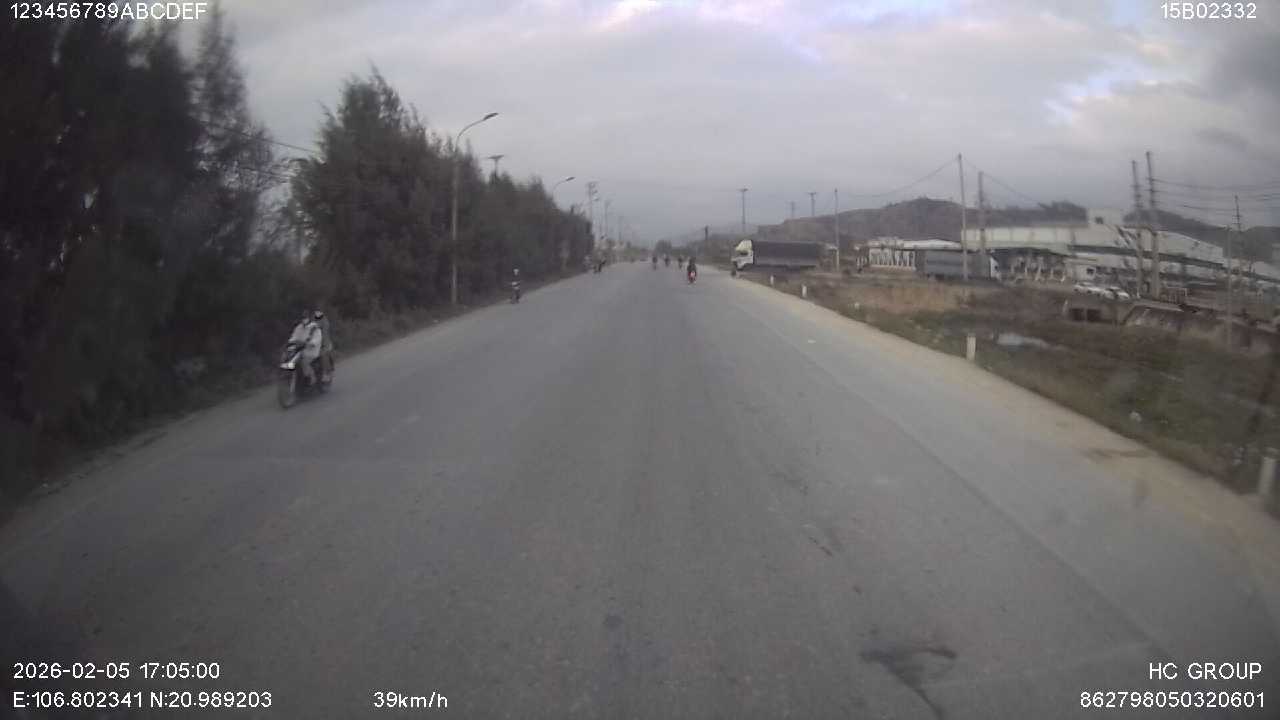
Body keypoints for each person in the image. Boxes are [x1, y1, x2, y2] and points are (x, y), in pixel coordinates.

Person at [288, 310, 323, 384]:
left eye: (305, 317)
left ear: (309, 318)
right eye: (303, 318)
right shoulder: (299, 327)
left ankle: (310, 378)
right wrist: (291, 342)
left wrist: (311, 343)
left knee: (304, 361)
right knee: (291, 358)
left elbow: (317, 339)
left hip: (311, 350)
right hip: (300, 349)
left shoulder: (314, 327)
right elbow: (294, 336)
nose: (304, 319)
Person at [313, 308, 334, 380]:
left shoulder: (325, 322)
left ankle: (326, 373)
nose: (317, 313)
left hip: (324, 343)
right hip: (314, 342)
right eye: (316, 312)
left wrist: (322, 343)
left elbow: (325, 334)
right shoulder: (312, 321)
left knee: (323, 355)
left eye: (318, 312)